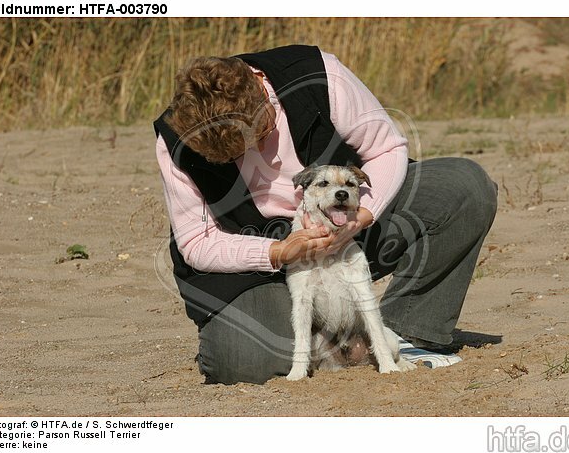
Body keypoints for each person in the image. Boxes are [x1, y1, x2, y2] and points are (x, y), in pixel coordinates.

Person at [154, 44, 498, 385]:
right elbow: (197, 242)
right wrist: (278, 252)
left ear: (261, 88)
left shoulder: (318, 73)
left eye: (259, 136)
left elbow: (388, 147)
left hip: (349, 220)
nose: (258, 155)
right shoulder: (176, 140)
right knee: (243, 362)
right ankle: (291, 336)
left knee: (464, 186)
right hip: (256, 266)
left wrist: (361, 217)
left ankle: (407, 333)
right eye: (232, 157)